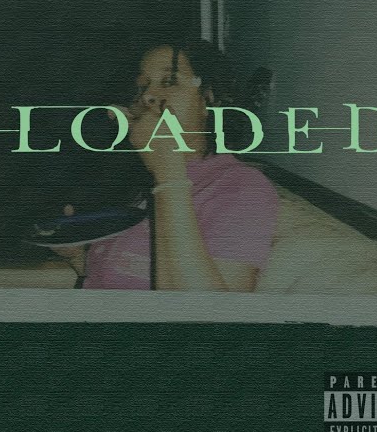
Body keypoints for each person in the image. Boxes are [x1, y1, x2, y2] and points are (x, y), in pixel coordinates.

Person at [52, 39, 279, 291]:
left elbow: (207, 312)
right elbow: (124, 278)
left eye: (169, 81)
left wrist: (167, 174)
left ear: (209, 98)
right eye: (142, 86)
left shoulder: (242, 187)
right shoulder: (140, 178)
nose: (147, 96)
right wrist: (77, 256)